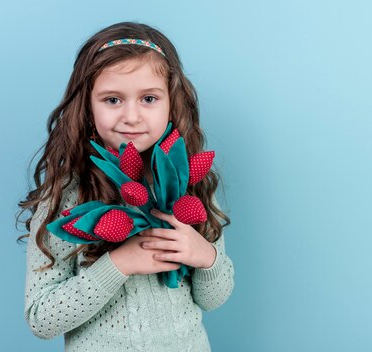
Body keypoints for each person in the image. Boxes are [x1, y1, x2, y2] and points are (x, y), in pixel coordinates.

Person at [16, 21, 234, 352]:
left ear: (172, 103)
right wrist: (120, 264)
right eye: (113, 100)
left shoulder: (192, 183)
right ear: (88, 106)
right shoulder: (67, 194)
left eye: (148, 98)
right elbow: (42, 319)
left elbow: (213, 299)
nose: (131, 116)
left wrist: (206, 257)